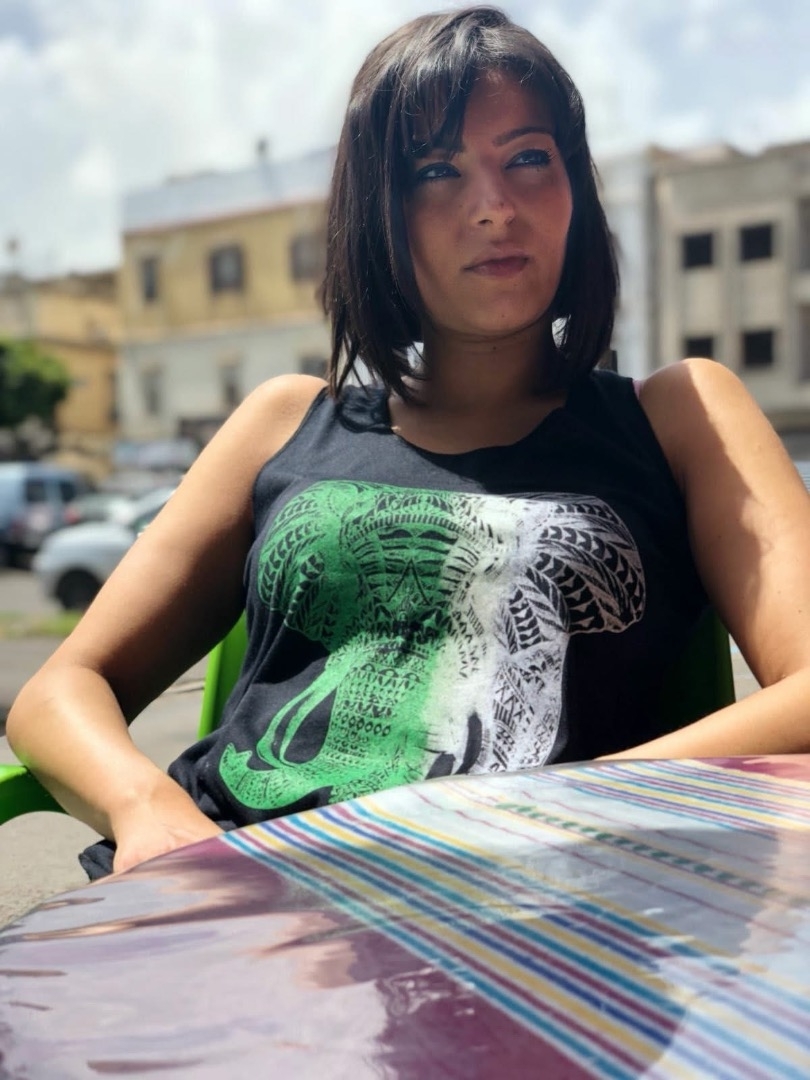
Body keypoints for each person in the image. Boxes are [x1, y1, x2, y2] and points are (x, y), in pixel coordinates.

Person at [7, 6, 810, 880]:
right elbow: (61, 689)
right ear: (379, 215)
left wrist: (581, 801)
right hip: (233, 888)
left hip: (530, 911)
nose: (493, 207)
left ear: (576, 190)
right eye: (435, 171)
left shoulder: (678, 414)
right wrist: (146, 808)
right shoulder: (285, 420)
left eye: (528, 158)